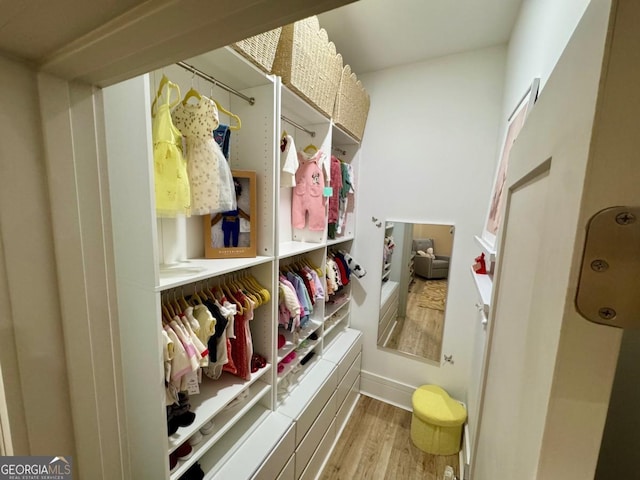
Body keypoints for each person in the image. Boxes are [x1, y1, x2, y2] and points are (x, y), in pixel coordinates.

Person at [211, 178, 250, 248]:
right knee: (226, 236)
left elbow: (245, 216)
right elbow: (217, 217)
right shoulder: (224, 209)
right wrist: (210, 224)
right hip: (227, 223)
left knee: (235, 236)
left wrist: (252, 220)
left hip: (235, 223)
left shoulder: (236, 209)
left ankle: (235, 248)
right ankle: (227, 248)